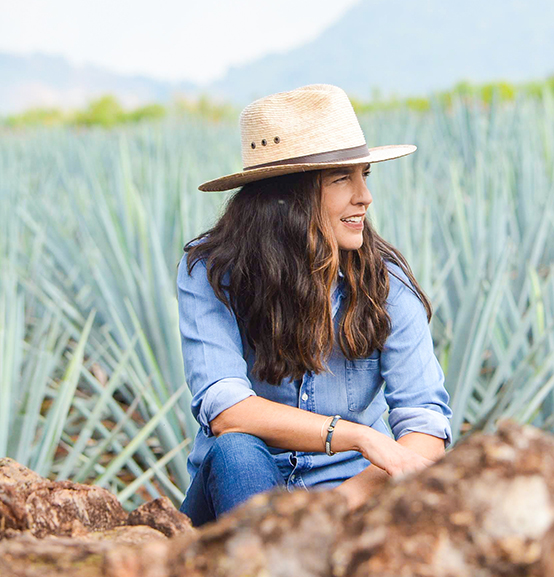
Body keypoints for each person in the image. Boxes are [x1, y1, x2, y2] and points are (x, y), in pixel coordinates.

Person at [176, 84, 453, 527]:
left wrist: (333, 508)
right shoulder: (212, 273)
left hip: (349, 499)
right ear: (286, 196)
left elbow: (425, 424)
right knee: (236, 451)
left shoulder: (386, 283)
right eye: (342, 179)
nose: (364, 196)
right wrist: (359, 437)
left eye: (365, 175)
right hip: (235, 494)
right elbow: (228, 410)